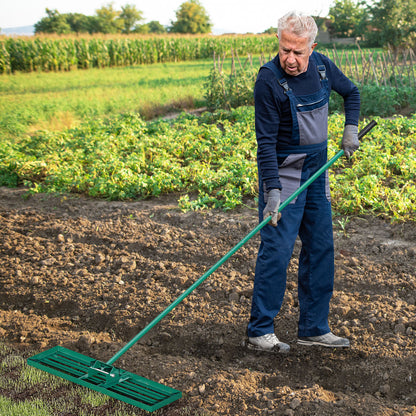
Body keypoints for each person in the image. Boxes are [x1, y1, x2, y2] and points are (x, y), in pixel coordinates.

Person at [247, 11, 360, 352]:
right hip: (284, 174)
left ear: (312, 47)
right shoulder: (268, 80)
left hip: (317, 171)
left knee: (321, 247)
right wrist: (272, 192)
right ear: (278, 43)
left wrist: (350, 129)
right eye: (285, 50)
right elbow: (265, 143)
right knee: (277, 251)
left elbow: (352, 93)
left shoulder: (323, 67)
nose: (290, 59)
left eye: (298, 51)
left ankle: (313, 328)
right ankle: (259, 331)